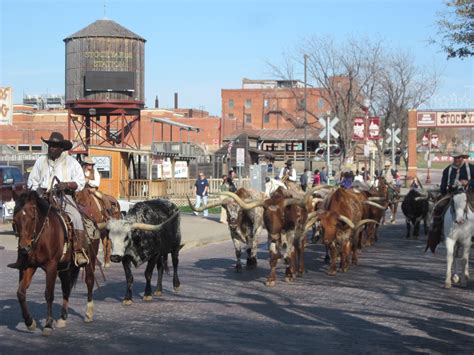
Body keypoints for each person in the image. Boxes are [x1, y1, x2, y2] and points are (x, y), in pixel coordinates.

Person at [8, 132, 88, 269]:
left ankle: (78, 250)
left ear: (62, 148)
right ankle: (22, 254)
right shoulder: (41, 160)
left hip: (63, 196)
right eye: (50, 145)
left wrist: (67, 184)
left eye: (55, 146)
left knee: (75, 216)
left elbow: (80, 181)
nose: (51, 148)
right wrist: (38, 190)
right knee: (24, 217)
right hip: (42, 197)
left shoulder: (71, 162)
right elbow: (32, 181)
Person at [427, 145, 474, 253]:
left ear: (463, 157)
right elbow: (443, 187)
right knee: (438, 208)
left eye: (459, 157)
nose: (457, 160)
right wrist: (447, 192)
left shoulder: (471, 168)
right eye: (455, 158)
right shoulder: (447, 170)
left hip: (469, 193)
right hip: (452, 194)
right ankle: (436, 234)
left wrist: (468, 182)